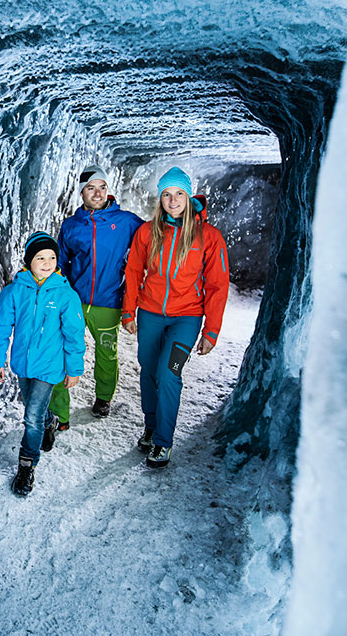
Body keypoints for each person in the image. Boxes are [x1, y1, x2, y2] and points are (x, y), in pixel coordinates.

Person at [121, 167, 229, 469]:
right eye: (166, 194)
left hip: (187, 318)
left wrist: (212, 330)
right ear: (160, 198)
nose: (173, 200)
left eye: (178, 193)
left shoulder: (208, 236)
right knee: (149, 370)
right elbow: (133, 271)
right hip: (151, 314)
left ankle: (163, 442)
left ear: (188, 195)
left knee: (170, 373)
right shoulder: (147, 231)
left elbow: (218, 284)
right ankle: (151, 427)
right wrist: (129, 310)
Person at [0, 231, 86, 495]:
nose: (46, 262)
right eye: (40, 257)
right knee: (35, 409)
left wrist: (74, 368)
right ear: (28, 261)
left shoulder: (66, 295)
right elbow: (1, 328)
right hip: (22, 364)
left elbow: (74, 333)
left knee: (30, 417)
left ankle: (26, 466)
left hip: (49, 366)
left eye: (52, 257)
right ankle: (49, 422)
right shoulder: (14, 292)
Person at [52, 165, 144, 426]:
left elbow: (152, 238)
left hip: (109, 302)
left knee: (107, 353)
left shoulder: (126, 222)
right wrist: (62, 295)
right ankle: (60, 413)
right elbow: (62, 263)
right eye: (91, 188)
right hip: (75, 302)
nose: (98, 193)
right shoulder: (71, 226)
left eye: (102, 187)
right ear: (82, 192)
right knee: (63, 351)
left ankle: (104, 398)